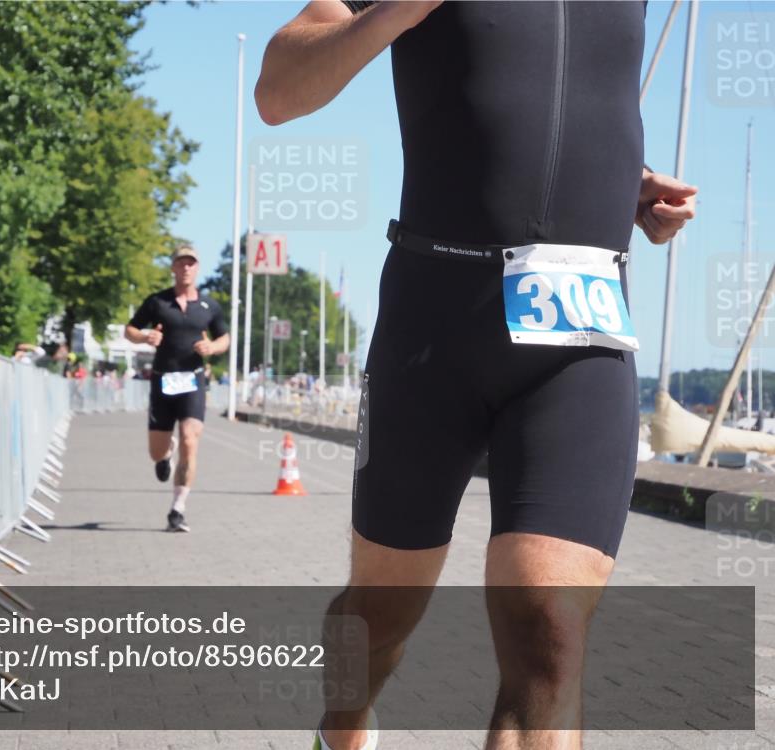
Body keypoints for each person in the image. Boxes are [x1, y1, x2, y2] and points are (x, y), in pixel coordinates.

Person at [255, 3, 697, 749]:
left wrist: (628, 180)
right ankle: (343, 727)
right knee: (378, 618)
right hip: (433, 328)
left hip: (580, 325)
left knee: (548, 627)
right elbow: (278, 91)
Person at [125, 245, 230, 532]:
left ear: (197, 268)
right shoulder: (157, 302)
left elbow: (225, 338)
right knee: (156, 452)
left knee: (189, 439)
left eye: (190, 263)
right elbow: (129, 330)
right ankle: (165, 456)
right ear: (173, 267)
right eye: (181, 263)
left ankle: (177, 509)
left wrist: (212, 347)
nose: (186, 268)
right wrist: (146, 337)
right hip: (163, 381)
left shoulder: (209, 306)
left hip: (193, 381)